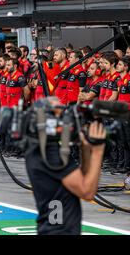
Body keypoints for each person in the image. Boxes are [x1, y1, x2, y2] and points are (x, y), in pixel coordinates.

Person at [26, 98, 106, 235]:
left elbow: (81, 179)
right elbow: (87, 192)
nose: (64, 120)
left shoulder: (38, 148)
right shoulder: (52, 155)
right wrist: (98, 152)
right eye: (59, 115)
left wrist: (85, 150)